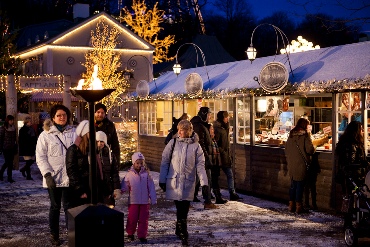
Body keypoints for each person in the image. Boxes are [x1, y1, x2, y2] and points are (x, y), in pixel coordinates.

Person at [159, 119, 208, 246]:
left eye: (184, 130)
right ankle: (181, 230)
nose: (181, 132)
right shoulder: (173, 142)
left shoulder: (196, 146)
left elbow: (200, 166)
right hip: (174, 180)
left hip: (188, 181)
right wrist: (162, 179)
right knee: (179, 207)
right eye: (179, 130)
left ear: (189, 131)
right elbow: (165, 161)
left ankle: (182, 230)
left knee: (184, 207)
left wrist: (204, 184)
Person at [36, 104, 76, 246]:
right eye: (58, 115)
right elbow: (41, 157)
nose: (61, 118)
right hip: (53, 177)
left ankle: (72, 234)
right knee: (54, 207)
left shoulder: (74, 132)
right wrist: (47, 175)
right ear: (53, 118)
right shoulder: (45, 135)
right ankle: (54, 235)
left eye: (64, 115)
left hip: (70, 178)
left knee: (69, 207)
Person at [66, 121, 121, 208]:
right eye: (90, 132)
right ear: (85, 133)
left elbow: (101, 170)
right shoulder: (73, 150)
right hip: (81, 191)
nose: (93, 134)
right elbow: (71, 172)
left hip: (94, 190)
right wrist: (80, 190)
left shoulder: (93, 150)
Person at [121, 152, 157, 244]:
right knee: (132, 218)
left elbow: (151, 187)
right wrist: (120, 191)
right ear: (133, 163)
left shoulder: (146, 175)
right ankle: (130, 233)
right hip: (133, 201)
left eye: (141, 163)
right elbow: (125, 185)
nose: (139, 165)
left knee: (143, 219)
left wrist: (153, 198)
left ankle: (142, 235)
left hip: (145, 202)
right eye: (137, 163)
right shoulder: (129, 175)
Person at [285, 118, 315, 214]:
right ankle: (299, 206)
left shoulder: (291, 134)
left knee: (293, 184)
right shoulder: (305, 135)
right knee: (300, 185)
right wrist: (314, 147)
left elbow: (286, 149)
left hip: (291, 163)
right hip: (301, 163)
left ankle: (291, 205)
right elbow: (310, 150)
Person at [190, 107, 218, 209]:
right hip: (201, 158)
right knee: (206, 180)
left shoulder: (202, 125)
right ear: (204, 114)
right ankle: (207, 202)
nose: (210, 117)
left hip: (200, 157)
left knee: (197, 180)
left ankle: (188, 200)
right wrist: (206, 158)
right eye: (209, 115)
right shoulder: (199, 126)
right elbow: (201, 144)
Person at [335, 121, 370, 195]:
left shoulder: (351, 142)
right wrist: (363, 164)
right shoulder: (351, 144)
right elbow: (350, 163)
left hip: (352, 178)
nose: (363, 131)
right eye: (361, 129)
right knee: (352, 195)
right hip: (352, 179)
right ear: (356, 131)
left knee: (352, 196)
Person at [213, 111, 241, 201]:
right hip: (219, 156)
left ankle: (232, 193)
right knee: (216, 176)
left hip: (225, 156)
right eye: (226, 117)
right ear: (222, 118)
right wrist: (222, 151)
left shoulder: (225, 128)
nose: (227, 119)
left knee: (229, 174)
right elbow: (215, 143)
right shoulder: (218, 129)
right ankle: (215, 193)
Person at [208, 123, 227, 204]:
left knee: (214, 180)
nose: (213, 131)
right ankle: (217, 197)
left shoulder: (213, 139)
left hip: (215, 163)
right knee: (213, 181)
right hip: (211, 163)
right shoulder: (208, 140)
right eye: (211, 129)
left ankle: (215, 196)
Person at [0, 115, 17, 183]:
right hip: (5, 147)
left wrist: (15, 145)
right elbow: (1, 138)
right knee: (7, 162)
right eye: (10, 120)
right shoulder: (3, 128)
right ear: (7, 120)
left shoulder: (13, 127)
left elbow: (15, 138)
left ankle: (9, 177)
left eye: (12, 120)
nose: (12, 121)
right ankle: (1, 173)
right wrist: (1, 147)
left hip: (12, 147)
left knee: (10, 163)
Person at [19, 116, 37, 180]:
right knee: (28, 161)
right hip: (26, 147)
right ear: (27, 122)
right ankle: (28, 176)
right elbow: (21, 140)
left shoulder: (32, 129)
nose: (31, 123)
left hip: (32, 147)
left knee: (32, 161)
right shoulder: (23, 129)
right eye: (30, 122)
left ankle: (23, 169)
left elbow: (34, 137)